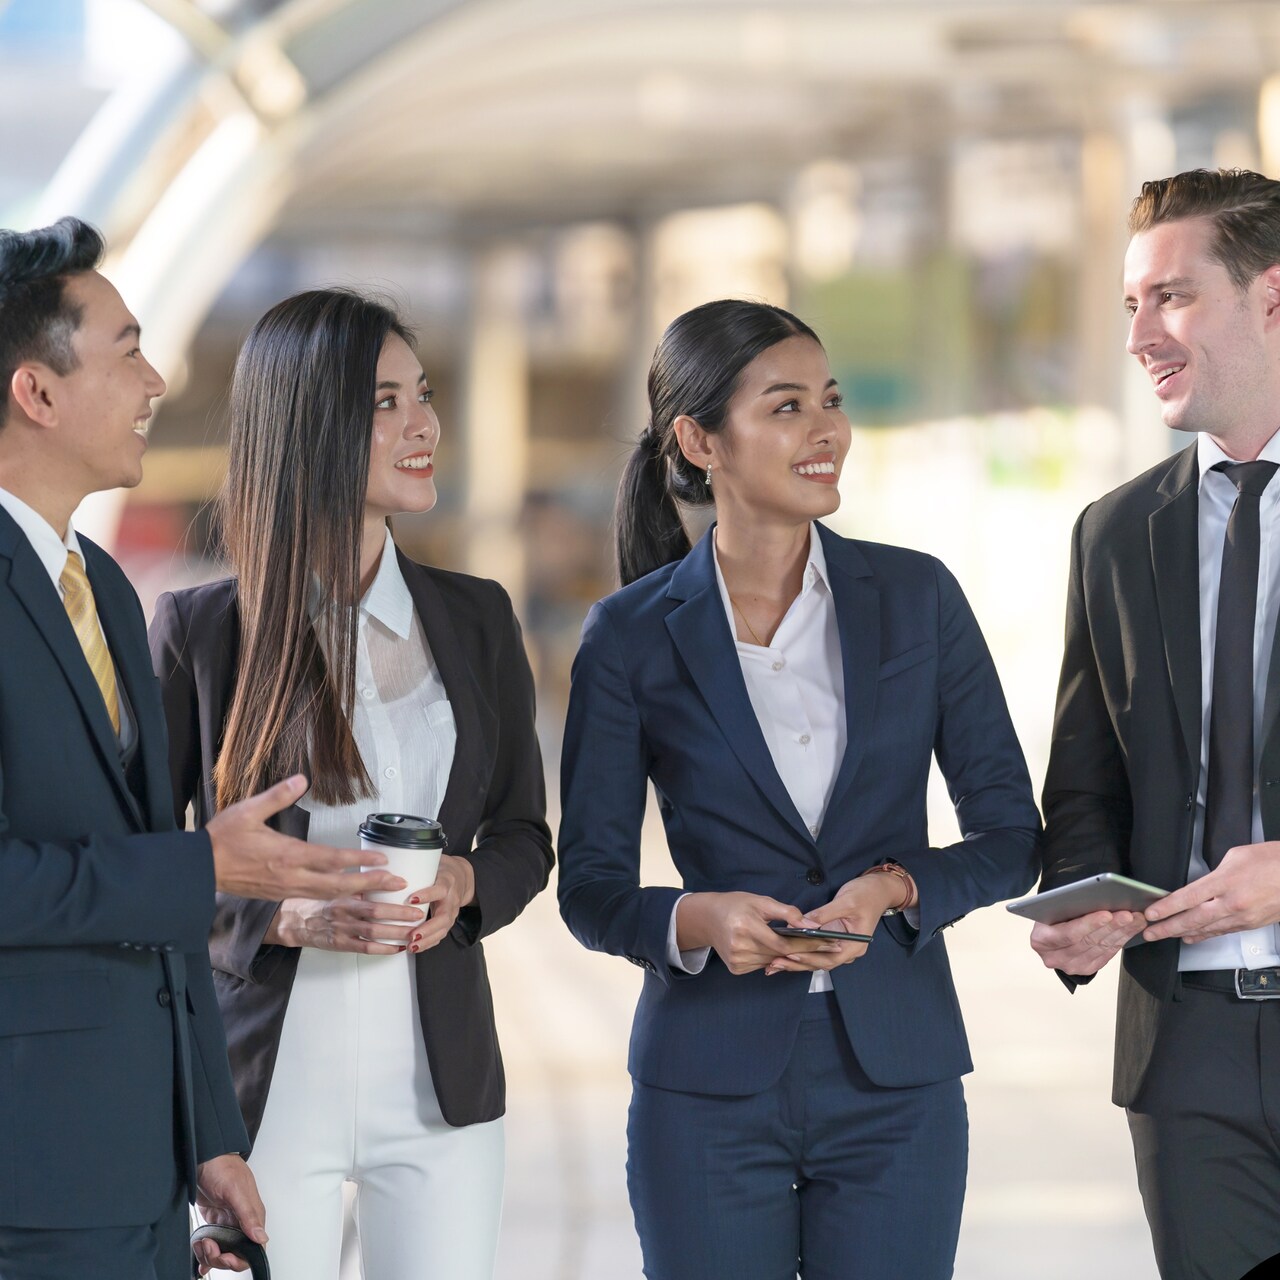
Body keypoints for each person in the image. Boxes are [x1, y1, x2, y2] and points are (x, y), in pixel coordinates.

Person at [557, 298, 1040, 1280]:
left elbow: (1008, 832)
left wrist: (894, 889)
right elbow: (590, 887)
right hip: (706, 1089)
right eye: (784, 407)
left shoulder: (918, 598)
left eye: (829, 399)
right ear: (699, 440)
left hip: (894, 1082)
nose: (825, 430)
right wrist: (697, 917)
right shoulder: (629, 633)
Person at [0, 220, 404, 1280]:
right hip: (26, 1173)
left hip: (130, 1166)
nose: (158, 376)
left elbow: (158, 910)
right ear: (35, 393)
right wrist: (203, 864)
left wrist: (208, 1134)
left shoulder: (97, 586)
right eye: (125, 346)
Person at [149, 287, 554, 1280]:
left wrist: (462, 884)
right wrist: (276, 915)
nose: (424, 425)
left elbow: (522, 834)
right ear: (307, 420)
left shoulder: (475, 617)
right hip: (259, 1091)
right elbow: (139, 871)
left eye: (421, 394)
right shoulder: (200, 633)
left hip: (441, 1091)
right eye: (384, 402)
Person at [1031, 168, 1280, 1280]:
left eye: (1168, 297)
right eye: (1128, 303)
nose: (1139, 333)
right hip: (1186, 1052)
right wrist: (1081, 901)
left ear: (1269, 298)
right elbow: (1083, 784)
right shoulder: (1114, 531)